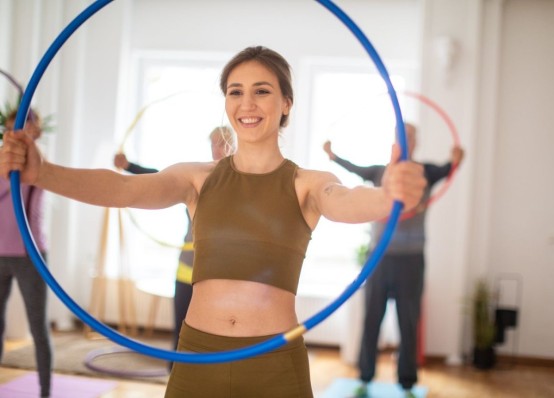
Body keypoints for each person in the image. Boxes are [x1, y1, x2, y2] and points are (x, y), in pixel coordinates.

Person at [0, 46, 426, 397]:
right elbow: (123, 189)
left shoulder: (307, 183)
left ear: (286, 104)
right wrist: (44, 174)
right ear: (225, 102)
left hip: (273, 363)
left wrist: (390, 195)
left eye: (262, 91)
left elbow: (346, 202)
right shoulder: (196, 179)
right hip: (198, 357)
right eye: (235, 91)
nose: (247, 104)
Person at [323, 124, 464, 397]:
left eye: (412, 136)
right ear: (394, 142)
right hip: (379, 258)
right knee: (372, 318)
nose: (407, 139)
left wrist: (459, 157)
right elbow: (353, 169)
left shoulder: (425, 172)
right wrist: (332, 155)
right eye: (403, 135)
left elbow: (452, 167)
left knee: (408, 322)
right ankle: (364, 378)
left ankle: (407, 384)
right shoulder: (379, 172)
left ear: (417, 142)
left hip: (411, 260)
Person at [112, 126, 236, 362]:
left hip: (218, 273)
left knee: (215, 337)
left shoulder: (241, 182)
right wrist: (129, 167)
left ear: (234, 146)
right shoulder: (197, 175)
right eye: (214, 143)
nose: (217, 148)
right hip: (187, 269)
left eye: (222, 143)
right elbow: (161, 178)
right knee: (181, 333)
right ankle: (174, 376)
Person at [0, 108, 53, 397]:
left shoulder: (38, 163)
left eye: (21, 128)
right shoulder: (2, 161)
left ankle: (45, 391)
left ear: (34, 132)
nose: (14, 134)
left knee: (38, 328)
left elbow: (30, 190)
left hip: (30, 254)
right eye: (9, 129)